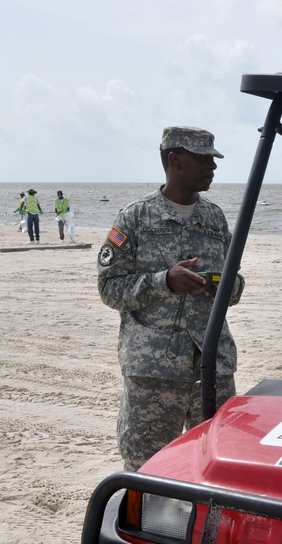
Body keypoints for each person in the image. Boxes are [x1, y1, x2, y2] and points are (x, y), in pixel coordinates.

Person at [98, 126, 245, 471]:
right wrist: (164, 281)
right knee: (146, 467)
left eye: (214, 159)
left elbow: (235, 286)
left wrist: (222, 285)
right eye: (204, 159)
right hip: (154, 370)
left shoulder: (214, 219)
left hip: (211, 367)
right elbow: (110, 289)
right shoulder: (135, 219)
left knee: (213, 466)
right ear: (175, 160)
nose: (213, 167)